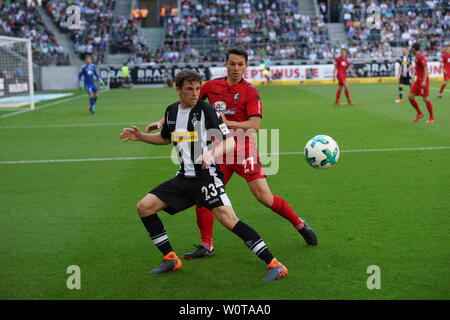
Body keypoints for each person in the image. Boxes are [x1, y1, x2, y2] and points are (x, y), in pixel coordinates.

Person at [146, 48, 317, 260]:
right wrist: (162, 122)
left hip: (243, 150)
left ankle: (299, 224)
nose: (236, 68)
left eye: (240, 64)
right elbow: (186, 105)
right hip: (217, 152)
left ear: (246, 66)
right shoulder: (211, 86)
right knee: (204, 198)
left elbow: (254, 125)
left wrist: (227, 123)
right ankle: (206, 245)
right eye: (232, 63)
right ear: (226, 64)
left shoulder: (251, 92)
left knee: (263, 197)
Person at [118, 70, 288, 281]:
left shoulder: (207, 111)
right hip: (183, 178)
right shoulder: (171, 111)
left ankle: (275, 264)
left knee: (228, 219)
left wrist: (210, 153)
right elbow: (165, 139)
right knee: (144, 207)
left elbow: (230, 141)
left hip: (207, 177)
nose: (195, 93)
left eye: (198, 88)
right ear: (178, 89)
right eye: (190, 89)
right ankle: (170, 258)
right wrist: (141, 137)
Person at [408, 43, 434, 123]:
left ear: (414, 49)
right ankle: (419, 113)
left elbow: (426, 69)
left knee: (425, 99)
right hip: (418, 81)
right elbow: (419, 69)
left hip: (423, 81)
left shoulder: (421, 57)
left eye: (412, 48)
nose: (411, 50)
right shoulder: (416, 57)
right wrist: (414, 77)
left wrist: (424, 81)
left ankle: (431, 118)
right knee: (410, 96)